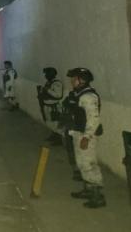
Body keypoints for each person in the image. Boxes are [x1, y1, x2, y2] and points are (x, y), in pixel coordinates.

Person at [66, 68, 106, 208]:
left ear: (82, 80)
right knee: (82, 163)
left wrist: (87, 137)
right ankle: (88, 190)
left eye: (74, 78)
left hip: (87, 135)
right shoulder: (78, 94)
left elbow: (93, 119)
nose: (72, 81)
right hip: (78, 132)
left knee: (89, 164)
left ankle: (97, 196)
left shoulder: (88, 97)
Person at [37, 67, 64, 144]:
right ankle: (53, 135)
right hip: (47, 106)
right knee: (49, 122)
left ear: (51, 74)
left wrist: (46, 90)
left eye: (47, 74)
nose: (45, 75)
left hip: (53, 107)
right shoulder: (49, 82)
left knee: (55, 123)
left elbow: (58, 95)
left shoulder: (57, 83)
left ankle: (58, 139)